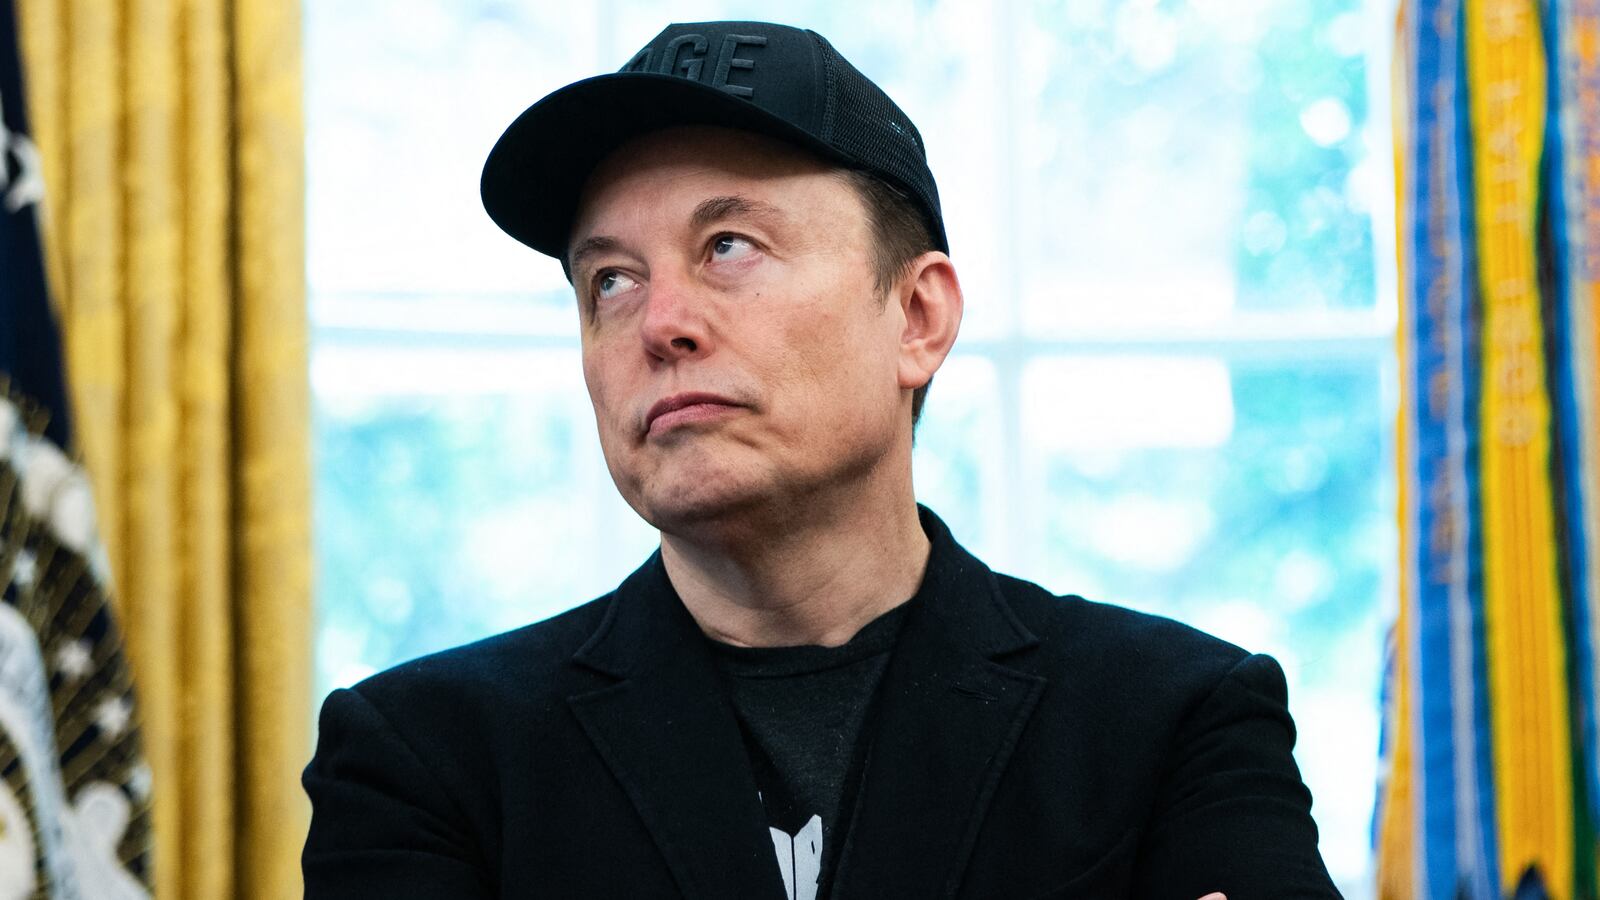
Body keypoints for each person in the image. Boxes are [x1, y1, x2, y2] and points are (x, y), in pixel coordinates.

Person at [302, 20, 1341, 900]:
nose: (659, 322)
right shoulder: (421, 758)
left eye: (729, 248)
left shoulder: (1174, 722)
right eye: (609, 281)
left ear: (918, 316)